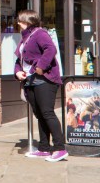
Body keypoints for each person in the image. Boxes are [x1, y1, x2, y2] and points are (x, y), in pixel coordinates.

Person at [14, 9, 66, 162]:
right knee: (39, 114)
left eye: (20, 21)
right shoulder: (24, 38)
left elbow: (51, 49)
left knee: (47, 113)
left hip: (45, 80)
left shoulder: (39, 33)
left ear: (28, 21)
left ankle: (59, 148)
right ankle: (44, 148)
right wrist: (17, 72)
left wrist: (41, 66)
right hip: (30, 80)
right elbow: (20, 60)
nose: (18, 23)